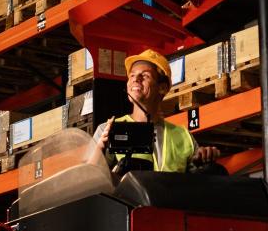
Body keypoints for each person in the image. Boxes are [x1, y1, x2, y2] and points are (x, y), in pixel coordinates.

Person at [93, 49, 224, 172]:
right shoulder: (109, 130)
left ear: (162, 88)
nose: (135, 79)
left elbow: (195, 184)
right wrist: (98, 153)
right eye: (132, 75)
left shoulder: (183, 136)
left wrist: (204, 159)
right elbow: (89, 180)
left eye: (145, 76)